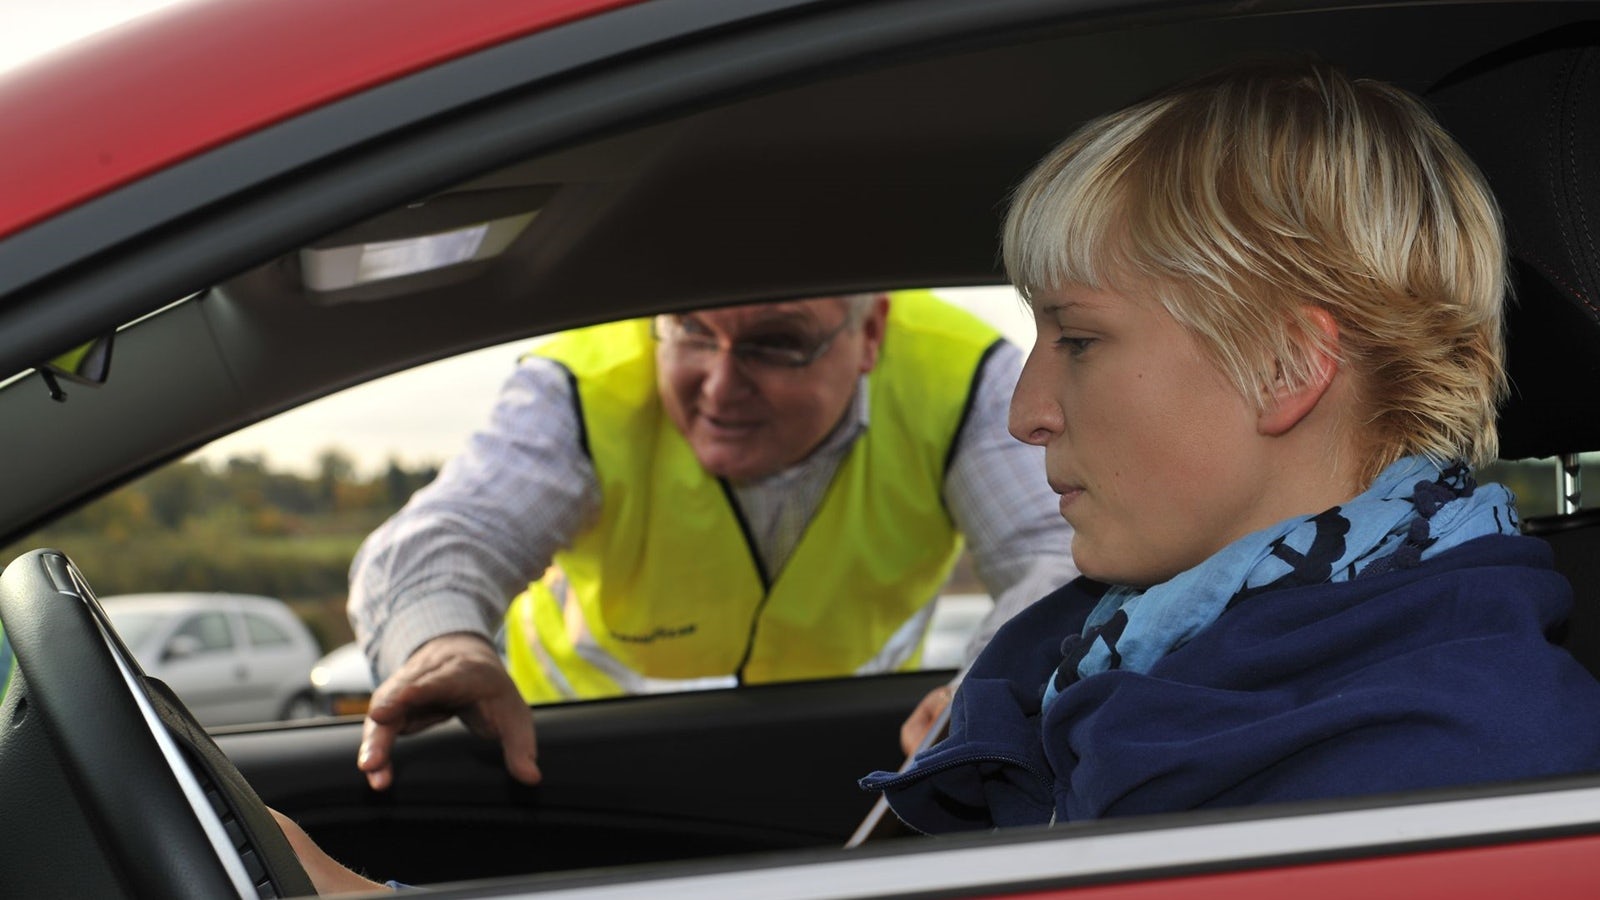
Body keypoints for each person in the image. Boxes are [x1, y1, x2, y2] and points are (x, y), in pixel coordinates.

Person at [860, 61, 1600, 829]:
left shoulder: (1452, 773)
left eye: (1078, 340)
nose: (1026, 414)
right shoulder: (1120, 658)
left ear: (1285, 368)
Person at [348, 289, 1078, 791]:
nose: (721, 386)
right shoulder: (586, 380)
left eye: (777, 343)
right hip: (569, 772)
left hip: (859, 765)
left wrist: (982, 694)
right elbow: (444, 538)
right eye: (692, 329)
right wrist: (443, 644)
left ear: (870, 335)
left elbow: (1062, 551)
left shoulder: (962, 376)